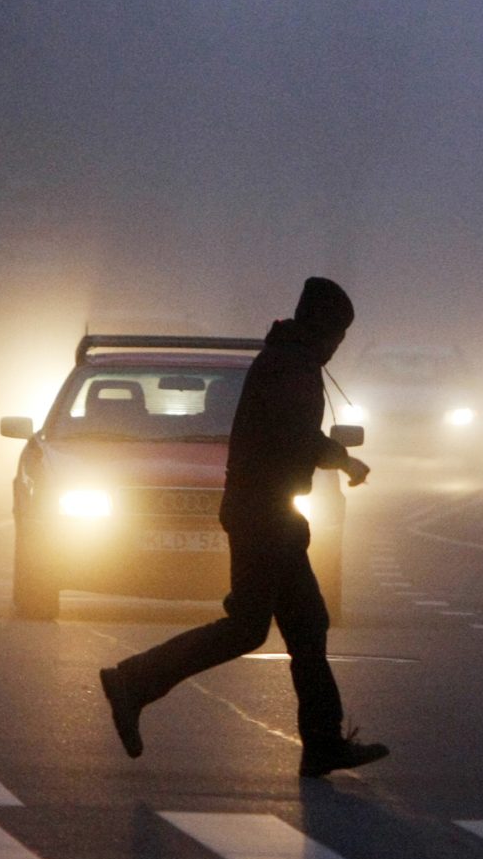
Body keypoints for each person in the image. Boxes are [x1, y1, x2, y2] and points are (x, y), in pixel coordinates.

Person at [100, 278, 389, 778]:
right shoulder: (290, 368)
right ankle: (133, 680)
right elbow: (296, 439)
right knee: (247, 628)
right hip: (265, 517)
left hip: (269, 514)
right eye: (338, 335)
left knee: (306, 626)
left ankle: (322, 743)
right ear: (323, 328)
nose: (338, 346)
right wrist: (344, 461)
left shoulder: (286, 361)